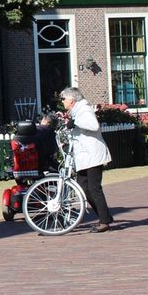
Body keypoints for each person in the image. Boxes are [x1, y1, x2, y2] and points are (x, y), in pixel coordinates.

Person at [59, 87, 114, 232]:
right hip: (85, 157)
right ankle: (105, 217)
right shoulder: (76, 111)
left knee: (94, 188)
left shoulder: (84, 110)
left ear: (71, 100)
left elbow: (94, 126)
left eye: (64, 99)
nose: (62, 102)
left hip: (93, 155)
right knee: (83, 187)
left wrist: (75, 123)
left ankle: (104, 222)